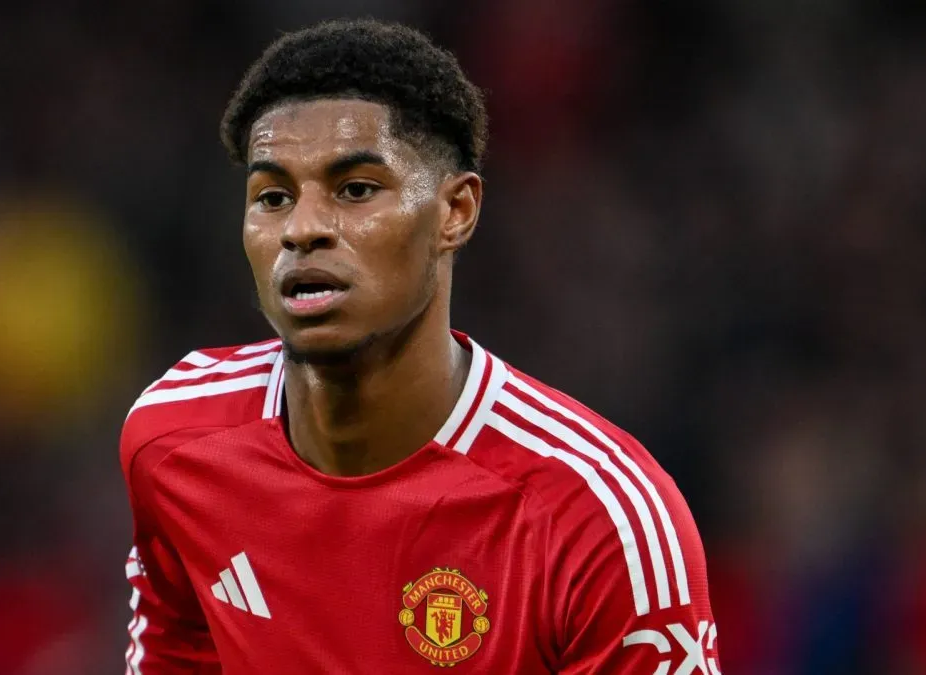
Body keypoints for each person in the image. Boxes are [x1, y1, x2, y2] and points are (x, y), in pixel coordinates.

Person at [120, 18, 719, 674]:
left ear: (455, 212)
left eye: (355, 190)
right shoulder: (174, 441)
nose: (302, 228)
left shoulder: (601, 520)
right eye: (273, 197)